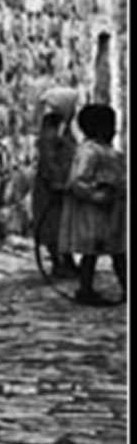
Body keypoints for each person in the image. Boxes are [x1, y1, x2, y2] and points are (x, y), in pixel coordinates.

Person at [59, 102, 126, 305]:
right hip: (94, 215)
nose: (114, 130)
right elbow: (77, 181)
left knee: (118, 252)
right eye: (110, 126)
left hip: (110, 213)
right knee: (93, 253)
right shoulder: (89, 152)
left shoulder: (105, 151)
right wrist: (98, 193)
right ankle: (86, 289)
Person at [32, 86, 78, 278]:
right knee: (54, 224)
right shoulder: (52, 129)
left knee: (64, 223)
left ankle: (67, 261)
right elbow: (48, 157)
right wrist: (56, 180)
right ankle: (58, 262)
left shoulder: (63, 126)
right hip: (52, 185)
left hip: (63, 182)